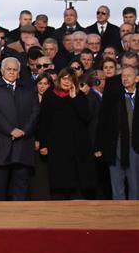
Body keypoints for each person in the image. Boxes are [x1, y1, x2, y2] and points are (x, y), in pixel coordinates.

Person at [0, 57, 39, 201]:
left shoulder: (28, 88)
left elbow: (35, 112)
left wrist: (24, 131)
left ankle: (20, 222)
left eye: (15, 70)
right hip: (0, 145)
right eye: (9, 69)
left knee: (21, 190)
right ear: (2, 70)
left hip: (23, 145)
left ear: (19, 72)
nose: (12, 72)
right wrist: (10, 130)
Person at [37, 67, 98, 200]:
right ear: (59, 79)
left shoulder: (79, 95)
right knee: (58, 181)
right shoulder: (49, 94)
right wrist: (43, 143)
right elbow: (43, 121)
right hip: (56, 145)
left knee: (75, 182)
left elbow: (86, 117)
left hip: (76, 146)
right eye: (64, 78)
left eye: (70, 79)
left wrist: (74, 98)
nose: (66, 81)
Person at [96, 65, 138, 199]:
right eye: (123, 76)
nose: (125, 78)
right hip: (115, 145)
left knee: (134, 183)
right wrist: (99, 145)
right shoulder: (114, 98)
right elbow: (103, 122)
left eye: (128, 75)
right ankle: (118, 216)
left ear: (137, 78)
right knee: (116, 183)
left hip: (135, 145)